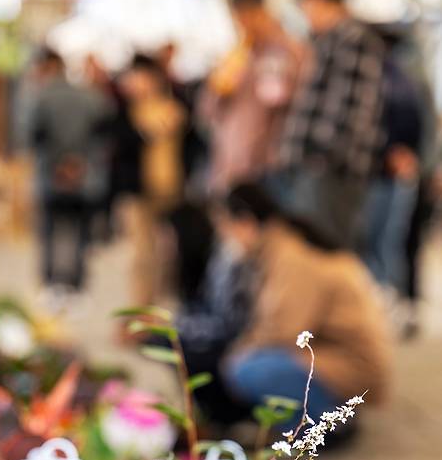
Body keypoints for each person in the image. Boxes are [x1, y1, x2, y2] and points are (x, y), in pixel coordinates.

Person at [219, 183, 391, 430]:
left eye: (226, 228)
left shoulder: (290, 254)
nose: (226, 239)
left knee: (246, 369)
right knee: (248, 362)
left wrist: (238, 353)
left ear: (246, 222)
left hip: (354, 367)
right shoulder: (284, 242)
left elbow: (283, 331)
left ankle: (324, 425)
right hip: (339, 356)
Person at [277, 0, 385, 249]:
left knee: (328, 248)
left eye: (306, 6)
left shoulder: (353, 40)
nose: (306, 15)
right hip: (320, 167)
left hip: (331, 169)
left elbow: (351, 110)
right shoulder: (329, 41)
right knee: (314, 246)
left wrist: (321, 157)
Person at [200, 0, 302, 194]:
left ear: (261, 12)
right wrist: (219, 88)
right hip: (232, 161)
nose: (242, 25)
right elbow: (208, 110)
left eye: (246, 17)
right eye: (237, 19)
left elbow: (281, 97)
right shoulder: (236, 55)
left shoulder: (289, 51)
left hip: (270, 162)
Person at [26, 48, 113, 290]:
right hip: (85, 175)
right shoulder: (92, 97)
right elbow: (103, 136)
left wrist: (59, 164)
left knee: (49, 232)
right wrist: (77, 163)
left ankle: (50, 281)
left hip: (51, 176)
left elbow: (34, 137)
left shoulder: (41, 98)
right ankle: (77, 280)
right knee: (81, 232)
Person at [112, 54, 189, 305]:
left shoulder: (175, 106)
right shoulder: (125, 110)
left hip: (171, 189)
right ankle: (140, 308)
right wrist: (147, 132)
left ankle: (160, 306)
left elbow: (191, 145)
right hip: (137, 192)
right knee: (140, 255)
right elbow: (118, 144)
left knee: (168, 253)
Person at [167, 202, 254, 423]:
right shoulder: (210, 260)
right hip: (226, 339)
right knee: (165, 340)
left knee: (169, 343)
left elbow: (228, 325)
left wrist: (171, 327)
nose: (166, 245)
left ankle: (222, 419)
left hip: (235, 346)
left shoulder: (226, 260)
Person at [363, 29, 422, 297]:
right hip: (381, 174)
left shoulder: (394, 80)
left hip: (389, 176)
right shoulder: (396, 78)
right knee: (384, 243)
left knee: (384, 244)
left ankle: (388, 298)